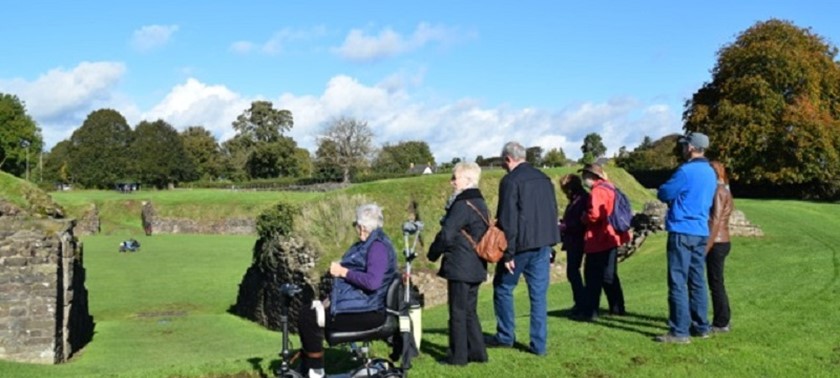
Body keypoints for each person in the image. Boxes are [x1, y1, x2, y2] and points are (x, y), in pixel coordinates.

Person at [297, 203, 398, 378]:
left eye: (356, 226)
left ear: (362, 227)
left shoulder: (377, 248)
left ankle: (315, 371)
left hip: (370, 310)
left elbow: (372, 283)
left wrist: (343, 272)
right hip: (360, 303)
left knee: (309, 318)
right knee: (309, 312)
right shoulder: (369, 243)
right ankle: (308, 368)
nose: (356, 230)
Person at [487, 141, 561, 356]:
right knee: (538, 295)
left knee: (503, 287)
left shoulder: (511, 181)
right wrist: (551, 243)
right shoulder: (544, 179)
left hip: (520, 246)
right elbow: (552, 211)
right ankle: (539, 345)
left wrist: (507, 252)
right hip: (542, 244)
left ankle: (505, 336)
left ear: (508, 159)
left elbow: (508, 218)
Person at [655, 132, 717, 344]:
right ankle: (702, 326)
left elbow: (664, 193)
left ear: (691, 147)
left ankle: (679, 331)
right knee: (697, 280)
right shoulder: (710, 172)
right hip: (701, 230)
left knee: (678, 281)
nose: (682, 149)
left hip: (682, 229)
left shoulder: (686, 171)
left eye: (684, 146)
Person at [428, 162, 489, 366]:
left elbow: (447, 233)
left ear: (467, 180)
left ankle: (458, 357)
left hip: (461, 263)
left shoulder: (462, 204)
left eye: (455, 177)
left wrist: (433, 253)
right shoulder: (480, 202)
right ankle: (478, 352)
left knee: (458, 312)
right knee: (469, 310)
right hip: (476, 264)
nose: (452, 181)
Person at [576, 164, 630, 321]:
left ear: (592, 176)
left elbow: (595, 215)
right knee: (609, 275)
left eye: (585, 175)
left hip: (599, 238)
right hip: (612, 236)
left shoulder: (597, 191)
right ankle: (617, 307)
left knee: (592, 276)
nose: (583, 179)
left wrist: (584, 217)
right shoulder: (610, 187)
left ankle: (591, 311)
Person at [706, 161, 733, 333]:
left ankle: (722, 322)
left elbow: (715, 220)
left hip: (716, 241)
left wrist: (706, 245)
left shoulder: (718, 192)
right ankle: (722, 319)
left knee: (716, 283)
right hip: (721, 240)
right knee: (716, 281)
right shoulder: (725, 190)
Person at [558, 174, 589, 315]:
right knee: (573, 272)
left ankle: (581, 303)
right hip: (574, 239)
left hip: (577, 239)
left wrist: (562, 226)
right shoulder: (578, 199)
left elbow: (579, 223)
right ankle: (581, 302)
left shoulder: (581, 200)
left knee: (573, 272)